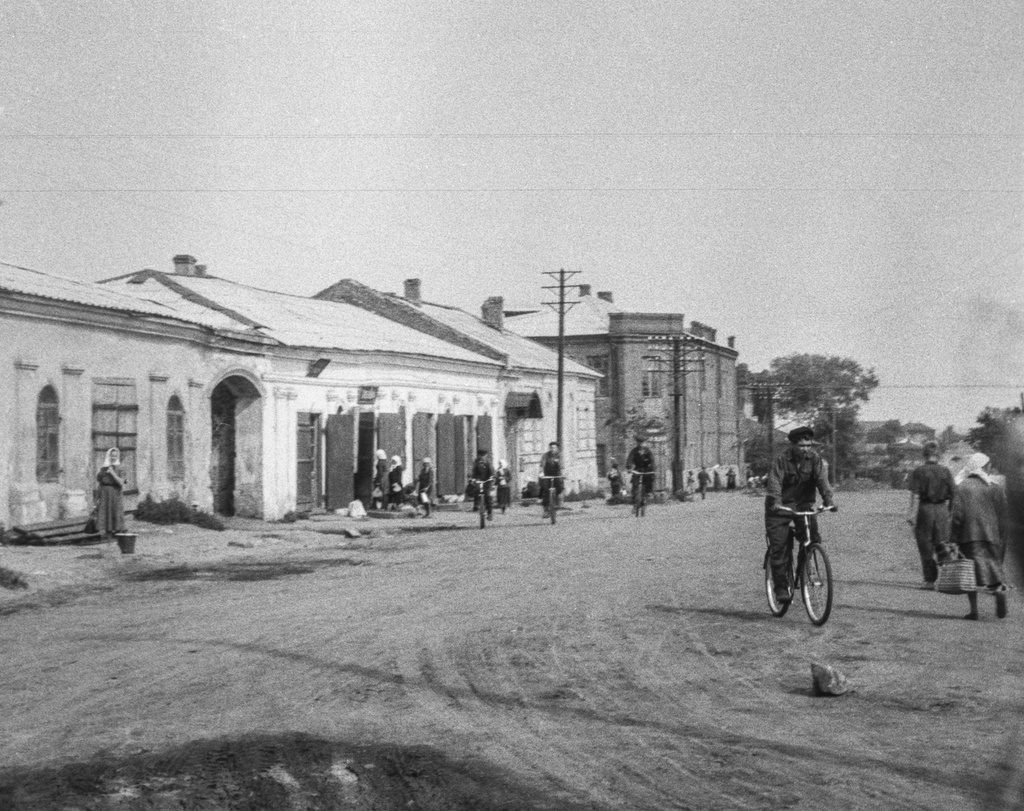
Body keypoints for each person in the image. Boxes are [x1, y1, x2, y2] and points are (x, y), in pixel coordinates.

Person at [765, 427, 836, 605]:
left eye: (809, 445)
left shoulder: (814, 459)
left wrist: (828, 500)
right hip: (779, 507)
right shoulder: (782, 460)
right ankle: (781, 587)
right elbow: (774, 482)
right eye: (802, 445)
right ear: (793, 445)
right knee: (779, 546)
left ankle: (805, 572)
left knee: (812, 539)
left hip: (803, 505)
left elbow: (822, 480)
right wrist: (776, 501)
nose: (806, 449)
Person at [951, 452, 1009, 620]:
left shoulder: (961, 487)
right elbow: (1003, 516)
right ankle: (999, 592)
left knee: (970, 573)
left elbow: (957, 516)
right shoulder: (995, 487)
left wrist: (953, 538)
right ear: (984, 467)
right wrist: (1000, 538)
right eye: (988, 466)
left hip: (968, 535)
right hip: (991, 535)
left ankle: (974, 610)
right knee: (994, 567)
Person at [906, 440, 956, 589]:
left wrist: (910, 514)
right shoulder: (946, 471)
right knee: (943, 545)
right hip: (942, 510)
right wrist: (950, 512)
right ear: (938, 455)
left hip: (925, 510)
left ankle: (929, 581)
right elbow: (954, 494)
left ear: (924, 454)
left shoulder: (919, 471)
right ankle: (949, 579)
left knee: (925, 545)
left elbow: (915, 495)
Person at [96, 447, 126, 541]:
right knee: (105, 511)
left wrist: (112, 473)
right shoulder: (104, 468)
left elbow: (121, 482)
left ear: (118, 456)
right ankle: (107, 532)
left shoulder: (120, 467)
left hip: (115, 492)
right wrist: (98, 495)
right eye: (112, 456)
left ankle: (117, 531)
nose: (113, 457)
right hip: (105, 492)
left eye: (115, 456)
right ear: (109, 456)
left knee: (115, 510)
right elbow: (99, 480)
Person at [626, 435, 656, 505]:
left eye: (642, 442)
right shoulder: (634, 451)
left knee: (649, 478)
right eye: (638, 442)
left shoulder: (647, 451)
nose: (640, 444)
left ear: (644, 443)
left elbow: (652, 460)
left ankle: (648, 492)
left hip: (646, 469)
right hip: (638, 468)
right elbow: (629, 459)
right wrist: (629, 467)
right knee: (634, 481)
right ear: (637, 443)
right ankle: (634, 498)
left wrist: (653, 468)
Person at [539, 442, 563, 516]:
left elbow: (562, 466)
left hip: (556, 475)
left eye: (554, 448)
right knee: (545, 489)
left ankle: (557, 502)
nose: (552, 449)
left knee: (559, 487)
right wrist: (541, 472)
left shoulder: (559, 456)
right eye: (551, 447)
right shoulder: (546, 455)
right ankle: (546, 509)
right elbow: (542, 464)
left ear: (557, 448)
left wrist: (563, 473)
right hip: (547, 475)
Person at [470, 449, 495, 519]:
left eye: (484, 456)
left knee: (487, 495)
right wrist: (472, 478)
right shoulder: (476, 463)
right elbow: (473, 471)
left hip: (487, 480)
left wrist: (492, 477)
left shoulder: (488, 463)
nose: (482, 457)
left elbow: (492, 471)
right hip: (479, 480)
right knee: (476, 490)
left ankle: (489, 513)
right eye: (481, 456)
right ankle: (476, 505)